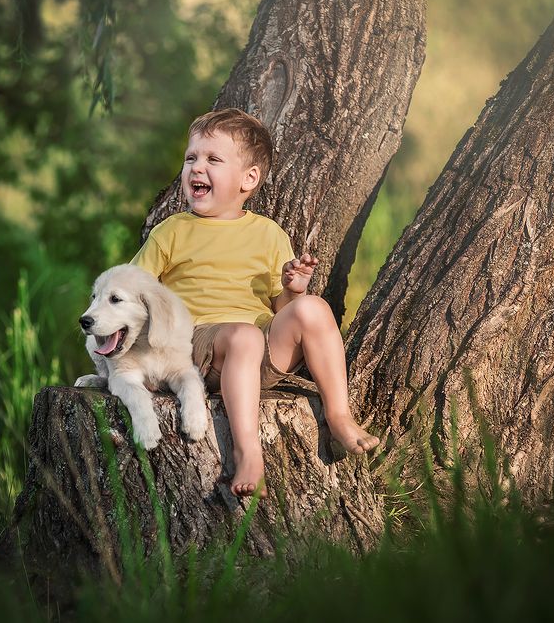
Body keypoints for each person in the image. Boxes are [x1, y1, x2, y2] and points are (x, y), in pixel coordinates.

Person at [131, 108, 379, 497]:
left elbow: (282, 312)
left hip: (258, 354)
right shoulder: (173, 231)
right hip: (196, 349)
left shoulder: (268, 233)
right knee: (243, 337)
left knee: (314, 308)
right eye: (191, 158)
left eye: (213, 160)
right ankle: (248, 452)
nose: (197, 167)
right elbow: (130, 290)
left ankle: (338, 414)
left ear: (249, 179)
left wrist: (293, 291)